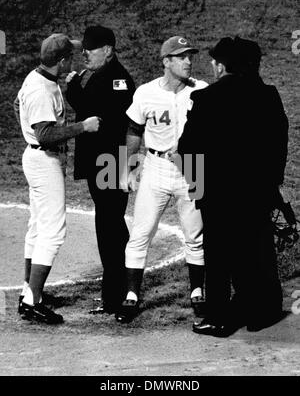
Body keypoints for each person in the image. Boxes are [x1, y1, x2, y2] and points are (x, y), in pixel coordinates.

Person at [178, 36, 289, 337]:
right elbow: (280, 144)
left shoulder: (207, 99)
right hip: (258, 193)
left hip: (218, 195)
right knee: (257, 250)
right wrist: (271, 185)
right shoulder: (268, 95)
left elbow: (187, 149)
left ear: (223, 65)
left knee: (219, 258)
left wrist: (198, 188)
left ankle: (218, 318)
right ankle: (261, 313)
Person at [115, 36, 208, 323]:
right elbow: (133, 130)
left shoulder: (202, 90)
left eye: (189, 56)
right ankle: (131, 296)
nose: (188, 61)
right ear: (166, 61)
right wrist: (125, 169)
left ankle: (197, 292)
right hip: (155, 167)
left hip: (193, 166)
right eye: (181, 57)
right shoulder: (145, 93)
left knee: (195, 236)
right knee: (141, 233)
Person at [16, 33, 101, 324]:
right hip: (44, 160)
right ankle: (31, 301)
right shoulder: (41, 90)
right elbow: (45, 134)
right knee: (53, 231)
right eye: (71, 56)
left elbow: (19, 108)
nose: (75, 58)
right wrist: (83, 127)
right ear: (62, 60)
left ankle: (31, 290)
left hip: (37, 157)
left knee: (38, 227)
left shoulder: (39, 79)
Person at [65, 25, 136, 315]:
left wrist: (72, 89)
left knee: (110, 227)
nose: (85, 54)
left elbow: (95, 115)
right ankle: (115, 291)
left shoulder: (118, 79)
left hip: (110, 162)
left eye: (90, 49)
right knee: (109, 225)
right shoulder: (101, 76)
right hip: (104, 162)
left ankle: (116, 293)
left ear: (107, 50)